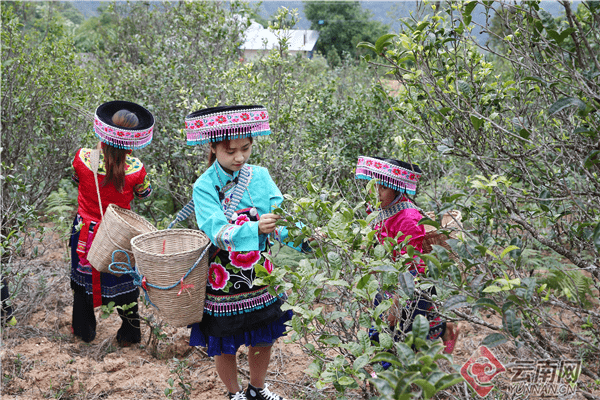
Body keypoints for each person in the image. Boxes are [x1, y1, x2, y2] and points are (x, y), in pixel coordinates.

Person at [185, 105, 306, 400]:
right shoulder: (204, 186)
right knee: (225, 342)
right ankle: (234, 393)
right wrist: (255, 230)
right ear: (212, 147)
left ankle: (257, 388)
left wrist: (305, 236)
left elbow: (281, 218)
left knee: (263, 335)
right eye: (230, 151)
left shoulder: (261, 177)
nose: (239, 157)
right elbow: (216, 230)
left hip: (261, 274)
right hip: (221, 276)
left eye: (246, 148)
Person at [355, 156, 460, 359]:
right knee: (382, 330)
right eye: (373, 186)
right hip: (388, 280)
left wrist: (396, 305)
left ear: (396, 189)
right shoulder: (378, 211)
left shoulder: (409, 218)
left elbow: (410, 269)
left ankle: (402, 377)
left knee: (404, 333)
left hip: (410, 283)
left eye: (382, 188)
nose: (375, 193)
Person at [70, 101, 154, 345]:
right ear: (131, 144)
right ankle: (129, 334)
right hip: (117, 233)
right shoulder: (136, 169)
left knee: (82, 282)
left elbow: (77, 179)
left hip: (85, 232)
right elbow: (144, 195)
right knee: (124, 281)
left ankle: (84, 332)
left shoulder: (82, 158)